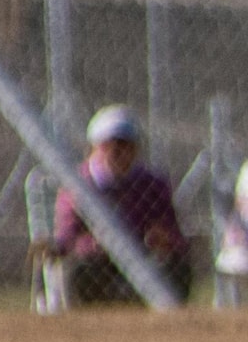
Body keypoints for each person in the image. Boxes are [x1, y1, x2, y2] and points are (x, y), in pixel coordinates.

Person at [47, 105, 192, 306]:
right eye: (109, 145)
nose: (117, 152)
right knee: (79, 270)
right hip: (96, 261)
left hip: (142, 258)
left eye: (125, 145)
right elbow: (68, 232)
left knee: (176, 267)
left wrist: (165, 240)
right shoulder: (80, 183)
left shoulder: (151, 184)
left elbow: (173, 234)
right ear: (94, 148)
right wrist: (72, 244)